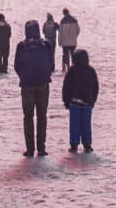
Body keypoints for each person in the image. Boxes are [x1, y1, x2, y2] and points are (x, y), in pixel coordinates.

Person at [15, 19, 55, 157]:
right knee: (42, 116)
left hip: (27, 85)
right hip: (43, 83)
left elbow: (16, 66)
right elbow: (52, 64)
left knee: (28, 117)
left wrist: (24, 77)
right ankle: (41, 148)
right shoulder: (46, 45)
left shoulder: (21, 46)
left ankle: (30, 149)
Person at [63, 48, 99, 153]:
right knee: (86, 124)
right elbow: (96, 87)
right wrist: (93, 100)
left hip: (74, 102)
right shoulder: (91, 70)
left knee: (74, 124)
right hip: (87, 102)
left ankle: (74, 145)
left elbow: (66, 87)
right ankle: (87, 144)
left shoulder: (72, 71)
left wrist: (66, 101)